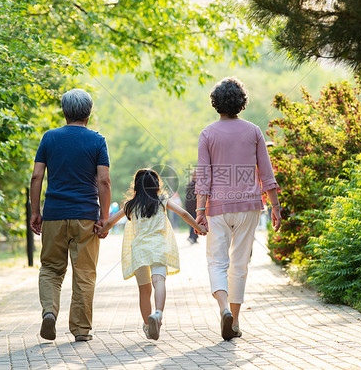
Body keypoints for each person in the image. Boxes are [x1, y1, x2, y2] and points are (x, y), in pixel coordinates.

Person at [195, 77, 282, 341]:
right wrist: (276, 207)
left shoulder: (207, 133)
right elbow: (266, 173)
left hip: (217, 208)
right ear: (241, 102)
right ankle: (234, 321)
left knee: (217, 261)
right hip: (249, 206)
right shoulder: (254, 131)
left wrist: (200, 210)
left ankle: (223, 310)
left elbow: (203, 176)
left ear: (215, 103)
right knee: (240, 263)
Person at [30, 88, 111, 342]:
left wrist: (35, 211)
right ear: (88, 113)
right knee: (84, 273)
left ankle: (49, 313)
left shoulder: (49, 138)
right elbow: (104, 181)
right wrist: (104, 217)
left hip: (54, 214)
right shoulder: (97, 141)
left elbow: (36, 177)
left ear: (65, 112)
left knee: (51, 269)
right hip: (86, 216)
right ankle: (81, 330)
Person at [95, 169, 207, 340]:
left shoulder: (130, 205)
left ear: (136, 186)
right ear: (156, 185)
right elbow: (184, 213)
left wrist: (100, 230)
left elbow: (110, 221)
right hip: (158, 247)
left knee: (144, 290)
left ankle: (148, 326)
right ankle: (158, 314)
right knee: (159, 281)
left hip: (139, 250)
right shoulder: (162, 201)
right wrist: (198, 227)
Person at [185, 170, 199, 244]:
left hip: (194, 207)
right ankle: (192, 237)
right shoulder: (193, 185)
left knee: (195, 222)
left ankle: (195, 237)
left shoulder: (193, 184)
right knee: (193, 223)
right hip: (193, 207)